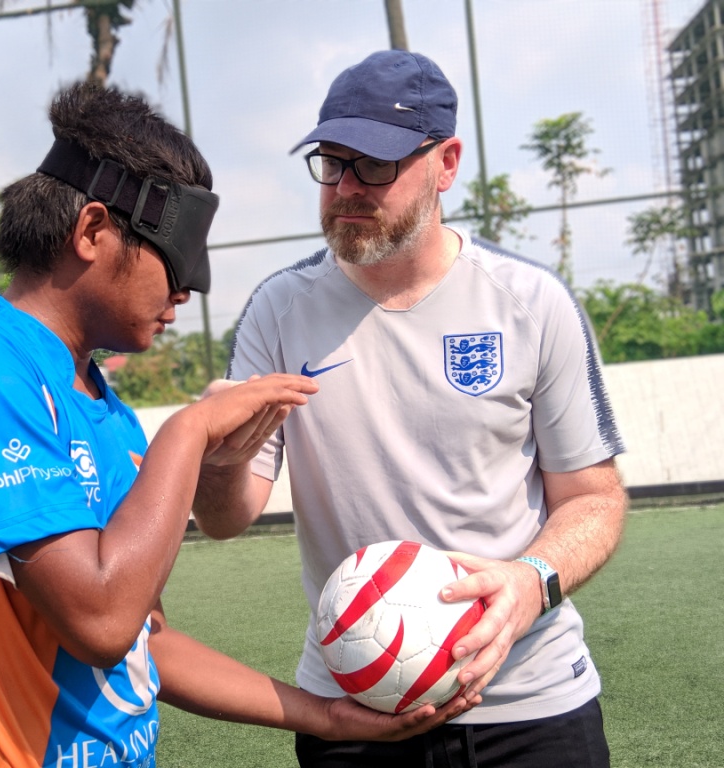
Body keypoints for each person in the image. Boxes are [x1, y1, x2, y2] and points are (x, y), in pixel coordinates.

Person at [0, 81, 476, 768]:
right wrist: (189, 435)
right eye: (176, 261)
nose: (185, 293)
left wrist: (328, 717)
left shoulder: (105, 410)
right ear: (92, 231)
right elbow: (99, 620)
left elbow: (143, 639)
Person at [191, 50, 629, 768]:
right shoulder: (279, 310)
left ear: (445, 163)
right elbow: (226, 517)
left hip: (529, 706)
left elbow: (594, 500)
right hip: (355, 710)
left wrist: (530, 580)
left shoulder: (529, 302)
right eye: (332, 163)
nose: (346, 188)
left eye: (376, 165)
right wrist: (217, 460)